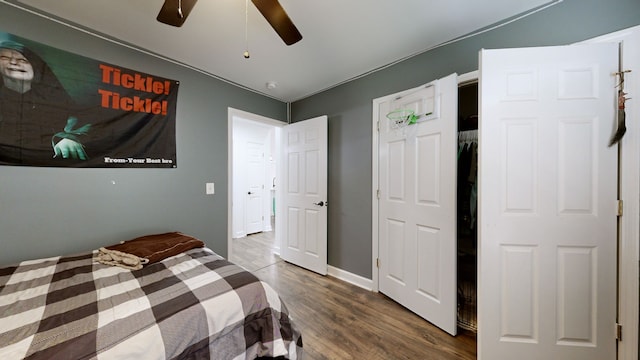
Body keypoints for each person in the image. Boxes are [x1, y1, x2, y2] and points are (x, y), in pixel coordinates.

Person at [0, 40, 90, 166]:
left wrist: (68, 137)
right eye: (5, 57)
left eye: (23, 60)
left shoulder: (57, 101)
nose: (14, 62)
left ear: (34, 67)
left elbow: (91, 126)